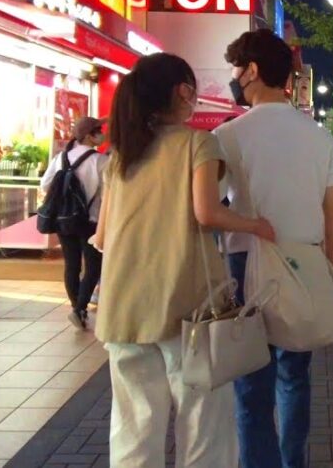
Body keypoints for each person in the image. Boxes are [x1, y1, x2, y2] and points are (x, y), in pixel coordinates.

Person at [94, 53, 273, 466]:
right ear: (183, 91)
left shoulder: (122, 155)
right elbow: (207, 213)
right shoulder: (197, 143)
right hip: (186, 307)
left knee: (133, 430)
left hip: (123, 309)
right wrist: (255, 225)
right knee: (204, 428)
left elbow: (101, 237)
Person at [214, 28, 333, 468]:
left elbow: (210, 206)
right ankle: (293, 462)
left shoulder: (229, 135)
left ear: (251, 71)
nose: (235, 77)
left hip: (246, 263)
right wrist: (332, 270)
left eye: (237, 68)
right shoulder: (319, 136)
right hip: (305, 260)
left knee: (251, 387)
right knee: (295, 377)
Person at [41, 116, 109, 330]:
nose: (102, 134)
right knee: (93, 267)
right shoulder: (100, 161)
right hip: (91, 221)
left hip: (64, 219)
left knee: (72, 265)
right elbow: (108, 194)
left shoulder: (61, 158)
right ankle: (80, 308)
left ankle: (76, 308)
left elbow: (45, 185)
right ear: (89, 135)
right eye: (99, 131)